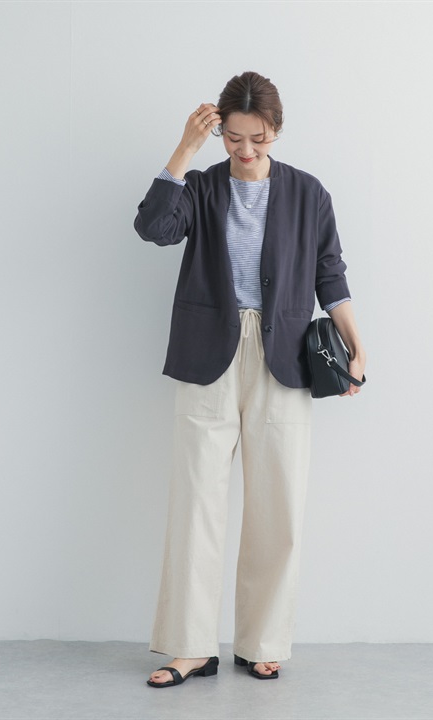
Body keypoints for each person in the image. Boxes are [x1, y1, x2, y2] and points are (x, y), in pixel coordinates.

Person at [134, 71, 366, 688]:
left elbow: (330, 274)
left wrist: (357, 345)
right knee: (196, 504)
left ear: (277, 130)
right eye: (233, 138)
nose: (244, 150)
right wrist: (186, 148)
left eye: (257, 139)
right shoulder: (201, 186)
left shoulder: (308, 193)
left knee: (277, 506)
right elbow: (153, 228)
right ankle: (189, 647)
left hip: (282, 356)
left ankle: (262, 641)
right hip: (205, 353)